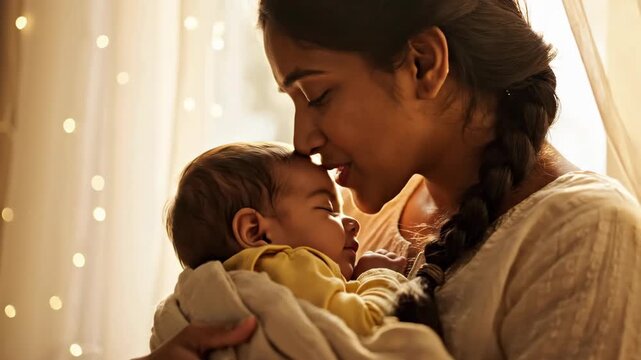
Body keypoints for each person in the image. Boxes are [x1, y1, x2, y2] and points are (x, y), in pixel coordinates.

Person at [147, 0, 641, 358]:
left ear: (423, 64)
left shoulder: (584, 234)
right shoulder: (358, 219)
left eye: (316, 95)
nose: (302, 141)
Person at [163, 142, 409, 336]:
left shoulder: (207, 295)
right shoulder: (288, 263)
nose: (353, 223)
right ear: (256, 232)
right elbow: (365, 326)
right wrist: (377, 276)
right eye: (327, 209)